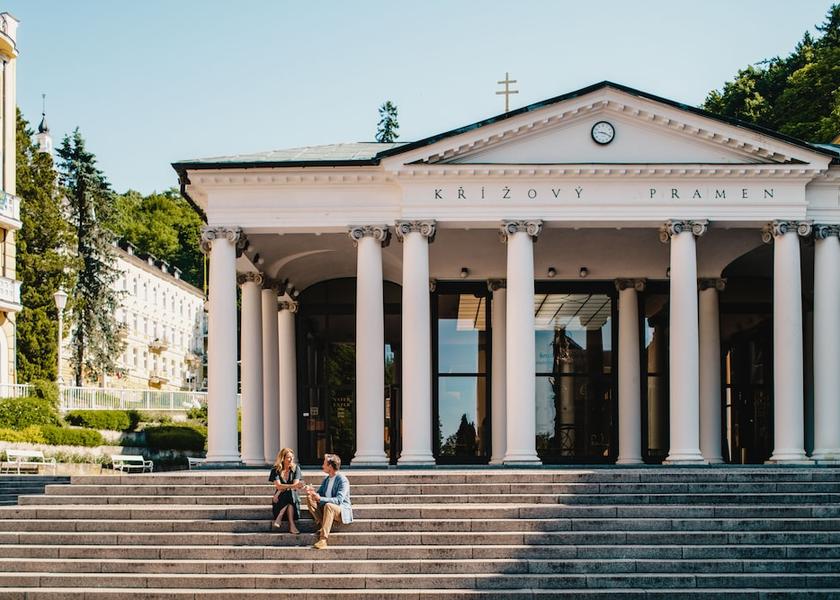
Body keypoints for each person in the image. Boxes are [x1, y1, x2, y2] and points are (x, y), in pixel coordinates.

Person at [305, 453, 353, 549]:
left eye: (324, 463)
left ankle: (323, 539)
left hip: (340, 509)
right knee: (309, 498)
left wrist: (320, 498)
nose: (322, 466)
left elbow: (339, 500)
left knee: (329, 506)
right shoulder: (327, 479)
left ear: (330, 466)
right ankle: (323, 525)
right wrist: (312, 492)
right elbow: (320, 494)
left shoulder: (342, 480)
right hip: (326, 507)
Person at [269, 447, 303, 534]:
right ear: (282, 458)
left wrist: (280, 490)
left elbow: (294, 486)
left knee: (290, 492)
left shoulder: (296, 469)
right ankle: (292, 525)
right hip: (280, 502)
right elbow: (279, 486)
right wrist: (282, 489)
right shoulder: (275, 470)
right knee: (290, 493)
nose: (291, 459)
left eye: (292, 457)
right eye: (288, 457)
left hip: (293, 500)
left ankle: (280, 516)